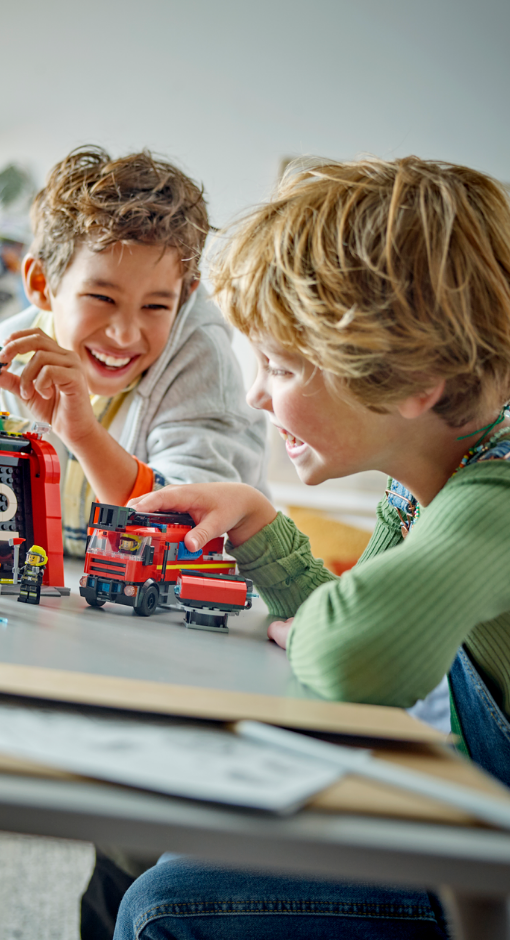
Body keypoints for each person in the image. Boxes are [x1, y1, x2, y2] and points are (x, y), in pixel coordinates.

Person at [115, 155, 510, 939]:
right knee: (155, 845)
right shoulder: (428, 473)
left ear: (413, 382)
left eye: (283, 365)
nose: (257, 392)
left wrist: (323, 634)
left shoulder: (494, 497)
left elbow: (355, 654)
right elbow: (356, 612)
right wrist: (261, 523)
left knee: (167, 905)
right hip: (477, 814)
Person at [0, 147, 269, 556]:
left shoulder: (202, 361)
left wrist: (84, 435)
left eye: (156, 306)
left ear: (184, 297)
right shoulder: (6, 355)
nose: (124, 335)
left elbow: (187, 535)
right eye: (102, 298)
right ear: (40, 284)